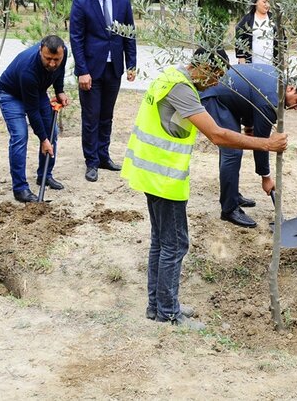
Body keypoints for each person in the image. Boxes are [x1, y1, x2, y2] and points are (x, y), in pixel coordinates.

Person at [121, 47, 288, 330]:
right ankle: (169, 313)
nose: (216, 84)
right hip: (164, 178)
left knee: (161, 242)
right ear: (204, 68)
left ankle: (157, 306)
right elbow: (217, 135)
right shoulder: (183, 88)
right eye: (216, 76)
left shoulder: (169, 77)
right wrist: (266, 144)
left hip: (149, 171)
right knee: (175, 244)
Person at [201, 64, 297, 228]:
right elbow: (262, 144)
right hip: (215, 97)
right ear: (290, 88)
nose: (295, 108)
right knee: (232, 151)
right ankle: (229, 209)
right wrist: (265, 177)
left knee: (233, 151)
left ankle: (232, 195)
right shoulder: (271, 101)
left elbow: (249, 98)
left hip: (229, 100)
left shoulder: (279, 78)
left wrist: (249, 125)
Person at [69, 0, 137, 183]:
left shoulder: (123, 2)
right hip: (91, 69)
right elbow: (76, 39)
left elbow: (129, 34)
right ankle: (91, 162)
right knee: (91, 116)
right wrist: (82, 71)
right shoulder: (81, 2)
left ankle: (104, 155)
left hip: (114, 68)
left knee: (107, 115)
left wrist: (131, 64)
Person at [0, 35, 69, 203]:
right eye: (47, 59)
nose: (52, 63)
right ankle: (20, 189)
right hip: (10, 94)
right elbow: (32, 111)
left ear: (62, 53)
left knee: (53, 133)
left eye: (56, 59)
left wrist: (59, 90)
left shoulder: (62, 54)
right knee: (20, 136)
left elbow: (60, 72)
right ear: (40, 51)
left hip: (36, 91)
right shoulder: (28, 70)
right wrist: (43, 139)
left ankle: (45, 175)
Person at [235, 0, 278, 65]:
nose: (267, 5)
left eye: (268, 2)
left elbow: (282, 39)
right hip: (251, 64)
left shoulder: (274, 19)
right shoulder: (247, 19)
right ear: (256, 2)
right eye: (264, 2)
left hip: (271, 65)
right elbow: (239, 37)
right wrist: (241, 58)